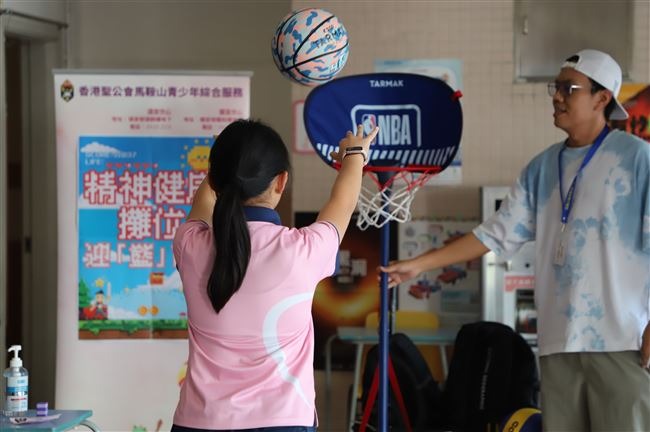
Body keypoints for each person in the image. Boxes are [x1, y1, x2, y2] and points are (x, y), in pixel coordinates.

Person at [381, 49, 650, 431]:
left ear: (602, 98)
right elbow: (494, 233)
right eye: (556, 87)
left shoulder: (636, 158)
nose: (557, 97)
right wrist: (419, 265)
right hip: (558, 343)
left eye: (569, 88)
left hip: (622, 341)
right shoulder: (541, 167)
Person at [171, 119, 379, 432]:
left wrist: (226, 156)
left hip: (198, 422)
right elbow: (343, 202)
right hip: (284, 422)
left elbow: (203, 202)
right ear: (281, 182)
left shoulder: (190, 245)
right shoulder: (303, 250)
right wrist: (354, 155)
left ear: (213, 179)